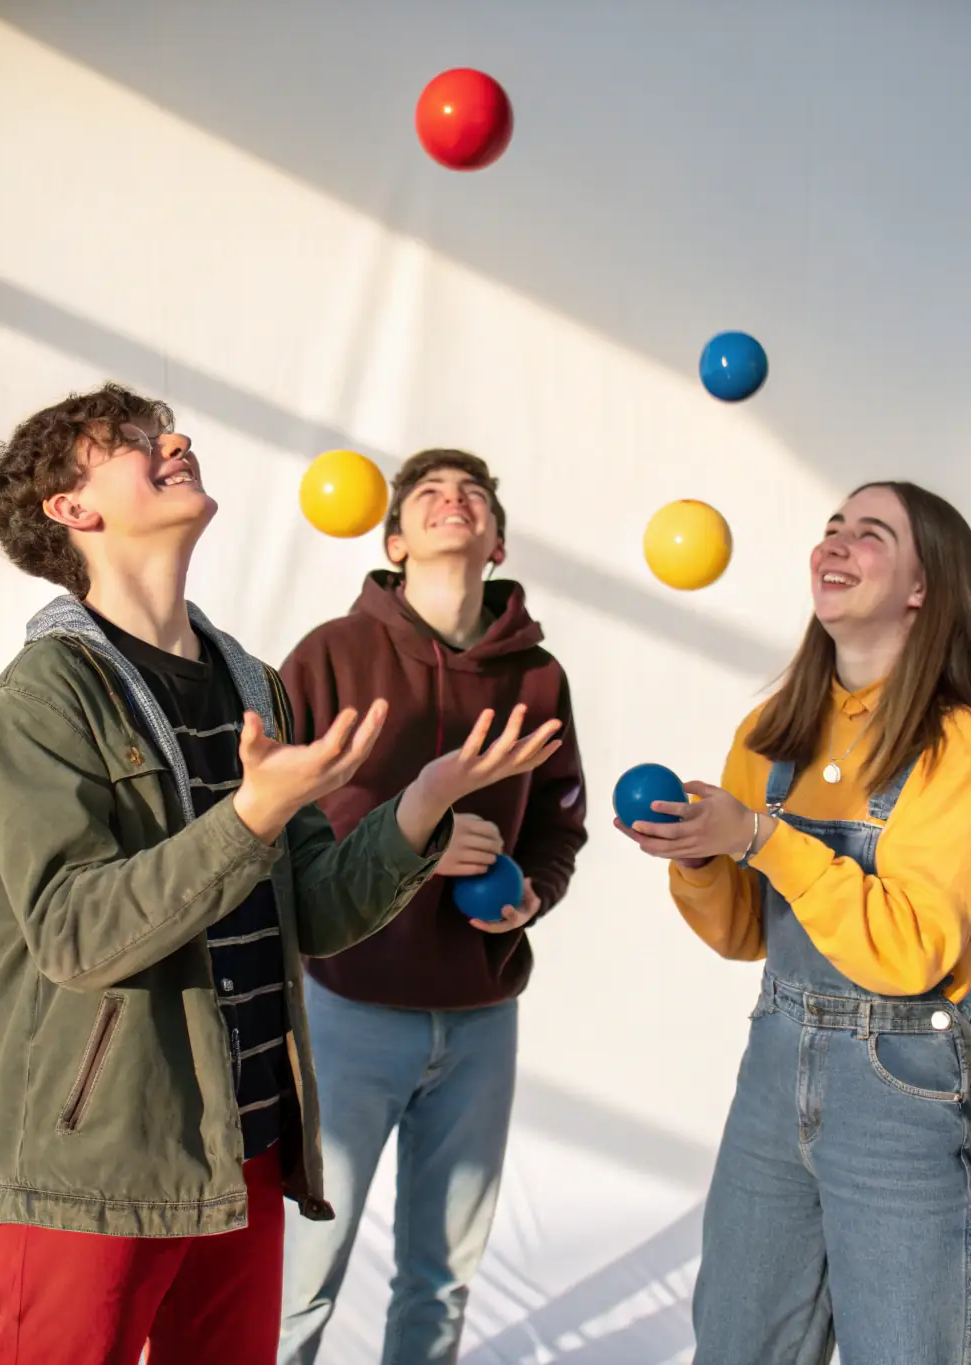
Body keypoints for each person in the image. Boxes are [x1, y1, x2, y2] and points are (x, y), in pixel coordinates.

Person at [0, 388, 563, 1365]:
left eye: (166, 429)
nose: (173, 441)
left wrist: (418, 804)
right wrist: (252, 811)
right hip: (100, 1154)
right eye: (130, 444)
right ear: (70, 510)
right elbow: (78, 935)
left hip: (243, 1142)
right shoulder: (46, 694)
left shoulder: (252, 682)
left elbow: (318, 913)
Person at [617, 481, 971, 1365]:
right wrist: (697, 855)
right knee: (736, 1346)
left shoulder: (959, 745)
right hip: (774, 1060)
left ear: (923, 588)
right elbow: (747, 933)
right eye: (832, 526)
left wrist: (759, 834)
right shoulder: (773, 730)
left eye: (871, 533)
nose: (837, 541)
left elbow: (911, 950)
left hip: (898, 1085)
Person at [277, 449, 587, 1365]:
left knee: (441, 1279)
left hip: (483, 1018)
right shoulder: (330, 654)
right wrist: (410, 850)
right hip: (346, 1008)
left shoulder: (538, 675)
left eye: (474, 496)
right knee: (303, 1279)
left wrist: (531, 896)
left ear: (496, 538)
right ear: (394, 538)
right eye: (428, 495)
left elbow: (560, 825)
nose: (454, 502)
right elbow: (275, 822)